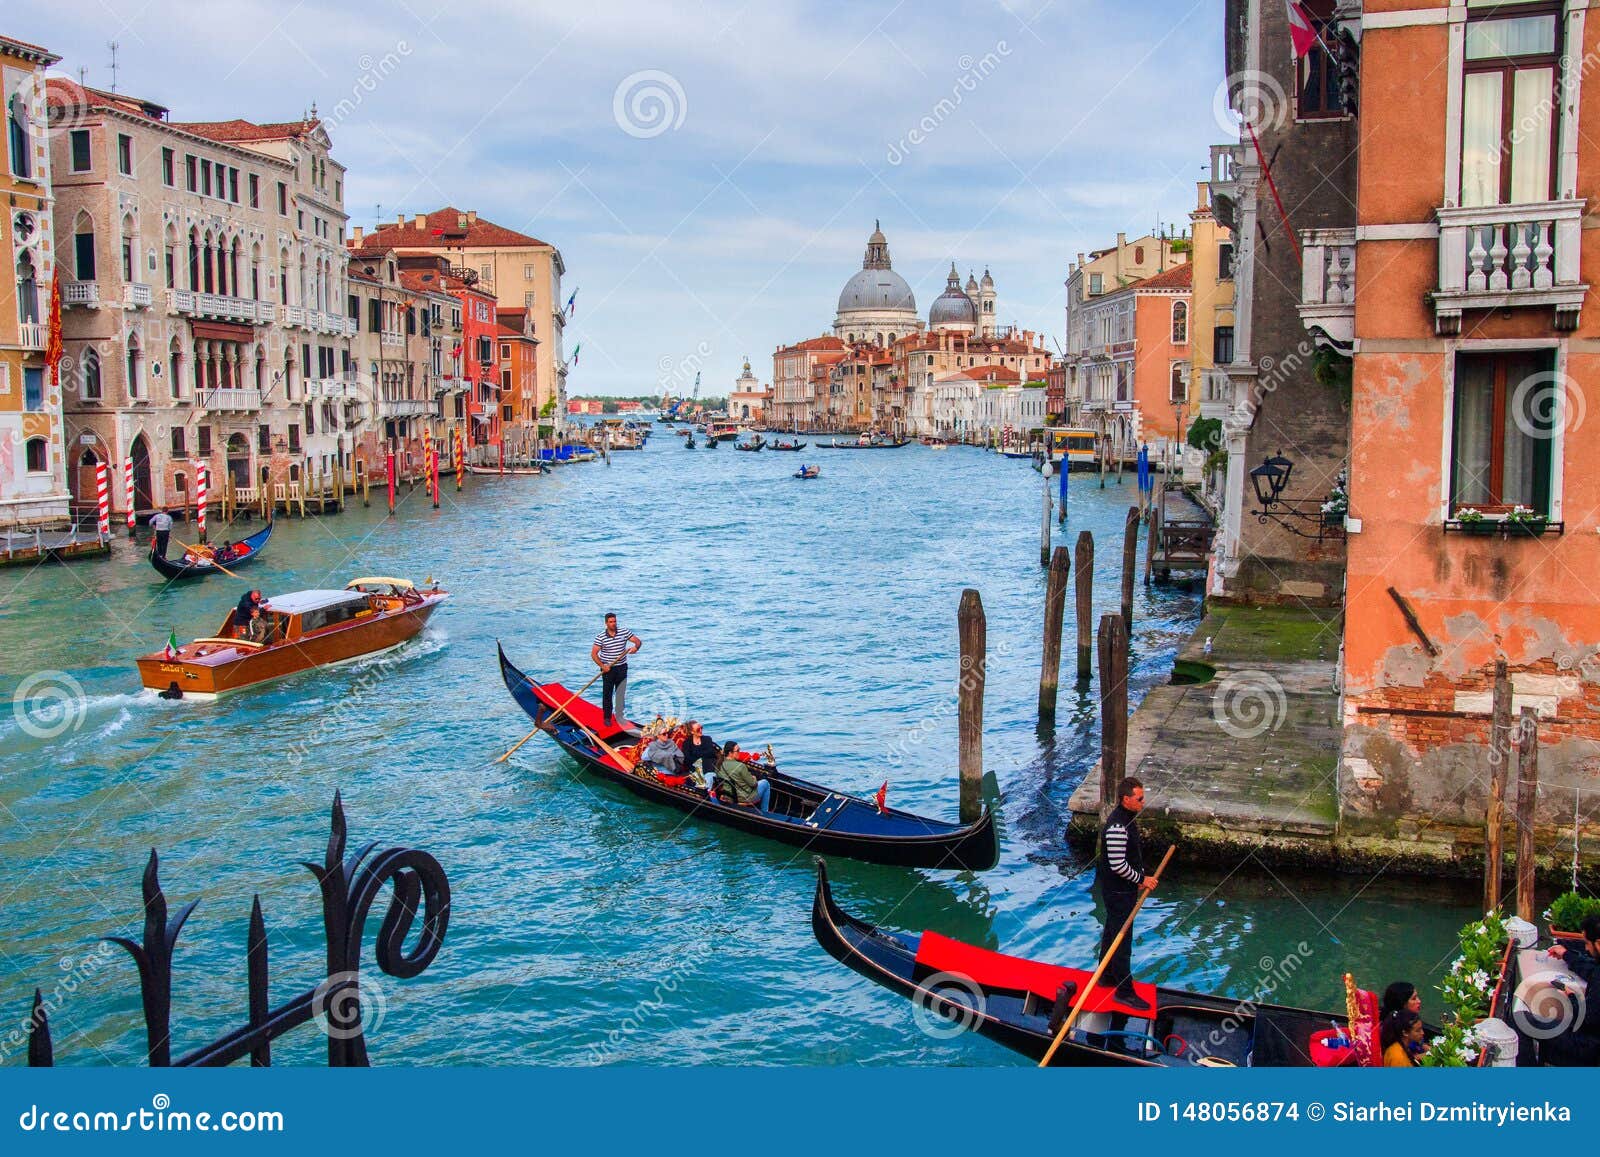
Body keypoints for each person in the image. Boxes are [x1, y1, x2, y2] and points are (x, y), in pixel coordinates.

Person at [1094, 777, 1159, 1014]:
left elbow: (1126, 862)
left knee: (1112, 932)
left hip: (1122, 889)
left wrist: (1138, 879)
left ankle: (1106, 976)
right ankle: (1124, 992)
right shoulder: (1118, 827)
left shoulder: (1127, 820)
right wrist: (1142, 879)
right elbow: (1117, 865)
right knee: (1122, 941)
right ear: (1126, 799)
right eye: (1139, 798)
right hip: (1118, 892)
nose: (1143, 802)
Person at [1543, 915, 1600, 1066]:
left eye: (1587, 943)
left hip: (1591, 1050)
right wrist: (1567, 954)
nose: (1587, 948)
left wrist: (1571, 996)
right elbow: (1591, 969)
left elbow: (1588, 1019)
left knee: (1524, 1019)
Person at [590, 612, 642, 728]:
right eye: (611, 622)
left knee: (620, 692)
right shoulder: (601, 637)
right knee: (607, 694)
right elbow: (594, 654)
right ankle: (607, 718)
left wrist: (635, 648)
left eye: (614, 621)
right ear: (606, 623)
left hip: (622, 667)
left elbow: (638, 641)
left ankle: (620, 717)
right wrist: (603, 666)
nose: (613, 624)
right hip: (608, 669)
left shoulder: (624, 632)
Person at [713, 740, 770, 812]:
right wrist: (754, 778)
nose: (739, 752)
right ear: (730, 753)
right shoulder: (740, 766)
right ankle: (765, 812)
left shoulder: (719, 765)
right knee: (765, 783)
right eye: (738, 750)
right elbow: (753, 784)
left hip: (729, 796)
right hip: (744, 798)